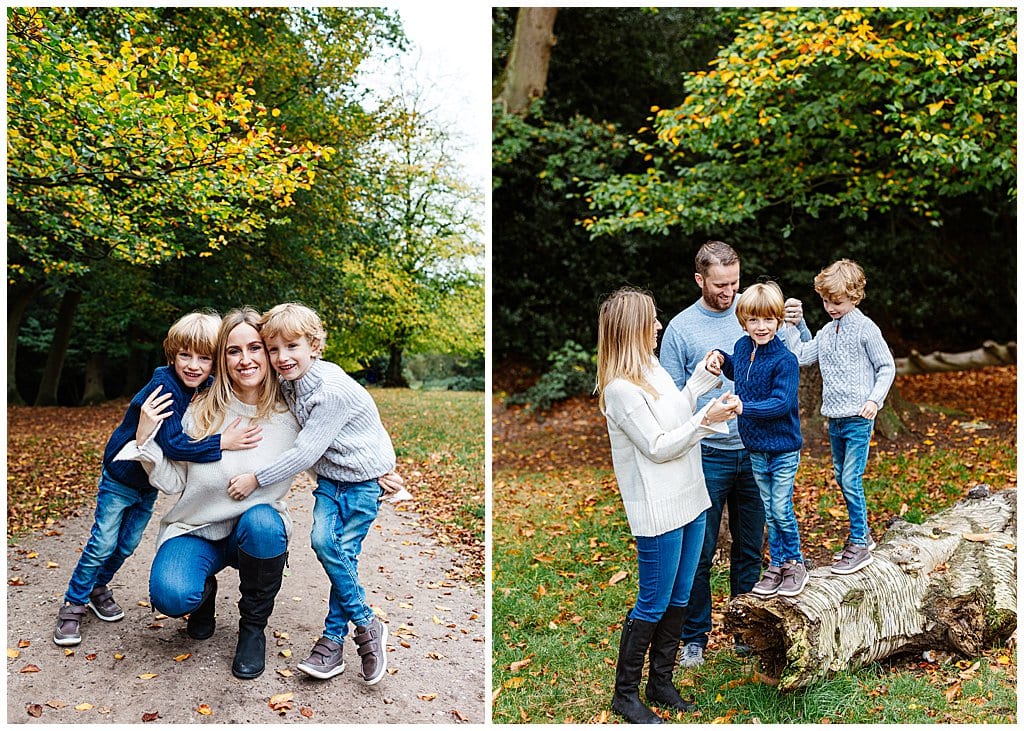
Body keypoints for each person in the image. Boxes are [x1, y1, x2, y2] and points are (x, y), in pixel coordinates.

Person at [53, 311, 261, 647]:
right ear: (172, 355)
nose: (193, 365)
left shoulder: (203, 386)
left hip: (146, 486)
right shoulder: (165, 386)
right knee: (103, 542)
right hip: (121, 478)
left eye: (204, 358)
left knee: (127, 544)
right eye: (185, 355)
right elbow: (174, 445)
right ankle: (73, 604)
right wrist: (222, 442)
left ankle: (97, 586)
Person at [117, 307, 300, 679]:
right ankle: (203, 594)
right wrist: (143, 439)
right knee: (171, 595)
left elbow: (329, 450)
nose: (245, 360)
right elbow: (173, 482)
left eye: (255, 348)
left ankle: (252, 628)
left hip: (253, 533)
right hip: (196, 529)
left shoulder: (292, 413)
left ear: (268, 353)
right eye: (234, 351)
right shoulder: (199, 409)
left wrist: (376, 472)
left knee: (264, 521)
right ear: (223, 358)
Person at [227, 302, 400, 685]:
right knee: (335, 551)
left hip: (362, 485)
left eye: (292, 346)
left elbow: (306, 451)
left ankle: (345, 635)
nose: (282, 357)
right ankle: (352, 636)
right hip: (331, 483)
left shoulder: (330, 389)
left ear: (315, 345)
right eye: (273, 349)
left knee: (331, 548)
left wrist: (255, 478)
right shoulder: (291, 382)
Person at [659, 241, 810, 665]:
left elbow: (797, 355)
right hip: (709, 453)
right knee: (701, 550)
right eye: (721, 285)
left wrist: (799, 324)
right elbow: (671, 400)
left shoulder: (758, 310)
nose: (730, 293)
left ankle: (745, 631)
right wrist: (709, 374)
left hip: (759, 449)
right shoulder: (681, 329)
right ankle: (695, 636)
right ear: (700, 280)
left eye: (735, 283)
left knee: (750, 547)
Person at [596, 288, 740, 724]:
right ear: (632, 329)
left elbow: (676, 412)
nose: (660, 326)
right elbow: (658, 446)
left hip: (691, 496)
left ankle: (661, 681)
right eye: (652, 321)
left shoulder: (650, 368)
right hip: (657, 507)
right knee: (653, 601)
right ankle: (625, 695)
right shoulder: (619, 390)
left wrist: (701, 381)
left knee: (680, 595)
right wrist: (705, 421)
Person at [783, 259, 895, 574]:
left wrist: (875, 400)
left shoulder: (865, 328)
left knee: (850, 478)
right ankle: (862, 535)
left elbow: (886, 366)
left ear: (854, 296)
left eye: (837, 301)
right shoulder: (828, 330)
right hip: (835, 418)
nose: (830, 307)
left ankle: (860, 540)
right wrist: (793, 325)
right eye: (826, 301)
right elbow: (803, 355)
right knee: (841, 477)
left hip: (859, 417)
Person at [710, 282, 808, 598]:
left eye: (768, 320)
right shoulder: (742, 348)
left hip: (782, 447)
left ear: (779, 321)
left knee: (780, 507)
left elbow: (781, 402)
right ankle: (777, 565)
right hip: (755, 448)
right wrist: (719, 358)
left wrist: (744, 407)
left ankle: (795, 563)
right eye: (754, 320)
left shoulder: (785, 360)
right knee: (770, 509)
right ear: (744, 321)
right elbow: (738, 370)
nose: (761, 327)